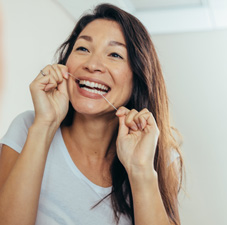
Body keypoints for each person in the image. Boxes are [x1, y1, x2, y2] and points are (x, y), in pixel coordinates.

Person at [0, 3, 183, 225]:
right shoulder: (28, 126)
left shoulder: (159, 156)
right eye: (83, 49)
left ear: (138, 77)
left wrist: (140, 170)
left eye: (114, 54)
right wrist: (45, 126)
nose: (93, 64)